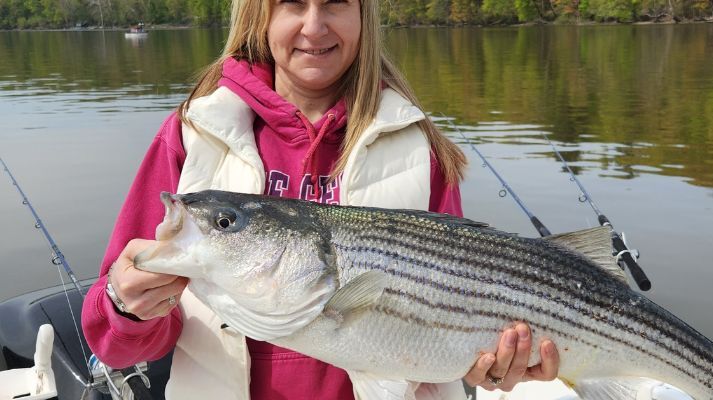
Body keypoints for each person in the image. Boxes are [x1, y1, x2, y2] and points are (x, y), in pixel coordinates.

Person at [81, 0, 560, 398]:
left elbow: (462, 314)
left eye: (335, 2)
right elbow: (116, 345)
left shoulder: (420, 146)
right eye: (292, 3)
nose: (314, 25)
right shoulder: (195, 134)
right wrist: (126, 308)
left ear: (363, 17)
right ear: (258, 15)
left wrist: (489, 365)